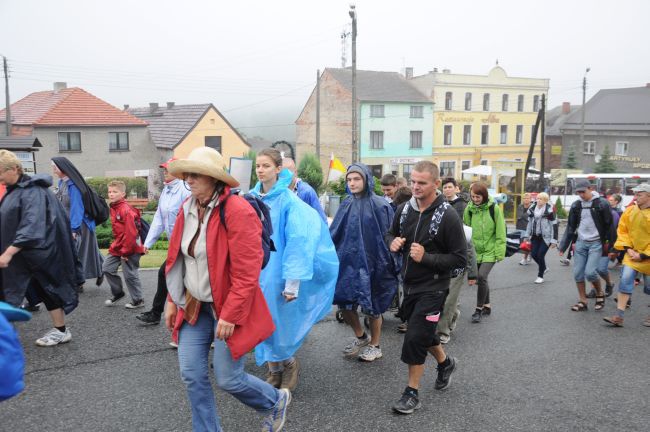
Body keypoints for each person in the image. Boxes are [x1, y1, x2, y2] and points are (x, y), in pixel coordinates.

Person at [165, 147, 290, 432]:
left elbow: (247, 272)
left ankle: (274, 401)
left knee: (228, 378)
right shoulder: (188, 208)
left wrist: (230, 314)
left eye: (196, 174)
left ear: (213, 178)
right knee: (192, 375)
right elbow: (176, 258)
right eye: (187, 175)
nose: (190, 180)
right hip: (195, 305)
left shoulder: (237, 210)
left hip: (226, 307)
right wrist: (173, 300)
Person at [251, 148, 338, 391]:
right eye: (258, 166)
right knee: (260, 318)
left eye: (266, 165)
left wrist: (292, 282)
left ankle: (288, 364)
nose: (260, 170)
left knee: (279, 321)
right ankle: (274, 369)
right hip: (257, 270)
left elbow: (299, 241)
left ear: (279, 169)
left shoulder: (289, 201)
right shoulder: (251, 198)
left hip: (279, 271)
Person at [386, 161, 467, 414]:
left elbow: (459, 259)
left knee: (414, 336)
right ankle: (445, 363)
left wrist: (427, 258)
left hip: (434, 287)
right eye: (413, 181)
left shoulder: (449, 216)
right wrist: (393, 242)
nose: (416, 187)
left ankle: (412, 392)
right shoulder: (404, 210)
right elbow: (389, 234)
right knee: (423, 331)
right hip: (408, 285)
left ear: (436, 184)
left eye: (422, 183)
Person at [0, 150, 79, 347]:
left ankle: (61, 331)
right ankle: (6, 333)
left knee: (48, 290)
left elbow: (31, 225)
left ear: (15, 169)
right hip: (24, 254)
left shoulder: (32, 191)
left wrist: (8, 253)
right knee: (16, 291)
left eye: (0, 172)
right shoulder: (16, 190)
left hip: (38, 253)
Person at [330, 163, 398, 362]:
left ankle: (375, 345)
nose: (352, 183)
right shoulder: (346, 204)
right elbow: (334, 233)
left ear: (366, 179)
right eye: (349, 180)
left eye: (356, 179)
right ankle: (361, 336)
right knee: (344, 303)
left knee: (373, 306)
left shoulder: (381, 205)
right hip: (349, 263)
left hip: (374, 263)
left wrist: (390, 263)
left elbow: (389, 236)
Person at [136, 158, 191, 326]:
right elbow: (159, 219)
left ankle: (161, 314)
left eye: (168, 169)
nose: (164, 171)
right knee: (173, 277)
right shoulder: (166, 192)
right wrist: (148, 243)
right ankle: (163, 314)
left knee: (169, 275)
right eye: (164, 169)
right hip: (176, 246)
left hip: (187, 245)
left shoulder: (185, 190)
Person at [559, 180, 613, 312]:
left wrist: (612, 247)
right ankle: (583, 301)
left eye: (583, 192)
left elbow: (609, 226)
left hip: (596, 243)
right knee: (578, 274)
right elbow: (571, 226)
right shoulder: (576, 205)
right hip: (581, 243)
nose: (581, 195)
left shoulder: (602, 203)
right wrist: (563, 245)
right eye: (578, 192)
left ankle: (600, 293)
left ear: (590, 188)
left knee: (590, 273)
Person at [51, 157, 105, 291]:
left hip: (80, 225)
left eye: (55, 167)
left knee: (77, 253)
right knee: (88, 250)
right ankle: (104, 268)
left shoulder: (73, 186)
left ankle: (78, 283)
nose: (53, 169)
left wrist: (74, 229)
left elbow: (77, 208)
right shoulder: (62, 183)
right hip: (69, 224)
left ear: (63, 168)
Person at [603, 183, 650, 327]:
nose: (635, 198)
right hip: (632, 255)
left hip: (647, 256)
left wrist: (643, 255)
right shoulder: (630, 211)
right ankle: (619, 316)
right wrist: (629, 249)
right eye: (635, 194)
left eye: (639, 195)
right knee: (625, 281)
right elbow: (623, 231)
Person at [437, 177, 477, 344]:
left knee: (449, 299)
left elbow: (468, 241)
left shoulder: (463, 208)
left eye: (449, 187)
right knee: (442, 297)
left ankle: (443, 332)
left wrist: (472, 272)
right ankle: (453, 314)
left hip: (457, 261)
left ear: (456, 188)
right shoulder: (438, 207)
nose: (446, 190)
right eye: (444, 187)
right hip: (440, 260)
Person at [463, 182, 506, 323]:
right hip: (475, 250)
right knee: (482, 279)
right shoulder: (469, 209)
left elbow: (500, 231)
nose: (475, 199)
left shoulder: (494, 208)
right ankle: (487, 305)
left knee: (481, 277)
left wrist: (499, 252)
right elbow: (466, 230)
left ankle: (478, 309)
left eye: (478, 197)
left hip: (490, 249)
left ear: (484, 195)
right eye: (473, 197)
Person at [102, 181, 145, 309]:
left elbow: (131, 234)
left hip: (130, 247)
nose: (111, 194)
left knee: (130, 275)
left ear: (123, 194)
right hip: (119, 245)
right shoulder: (115, 207)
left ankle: (138, 300)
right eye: (109, 192)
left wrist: (126, 252)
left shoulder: (125, 209)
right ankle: (118, 292)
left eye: (115, 192)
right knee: (107, 268)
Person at [523, 192, 558, 284]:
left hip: (546, 237)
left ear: (545, 201)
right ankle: (544, 267)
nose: (538, 200)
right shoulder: (532, 210)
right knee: (534, 254)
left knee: (540, 255)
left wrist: (554, 240)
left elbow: (554, 226)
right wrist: (526, 235)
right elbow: (529, 223)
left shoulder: (549, 211)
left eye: (540, 199)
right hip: (535, 236)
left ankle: (540, 275)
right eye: (537, 198)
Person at [281, 157, 327, 221]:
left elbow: (321, 218)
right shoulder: (279, 191)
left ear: (295, 173)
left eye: (288, 173)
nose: (285, 176)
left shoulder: (307, 192)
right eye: (282, 174)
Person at [517, 193, 533, 265]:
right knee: (522, 244)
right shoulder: (520, 206)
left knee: (526, 243)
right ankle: (530, 253)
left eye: (527, 198)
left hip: (529, 228)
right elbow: (519, 216)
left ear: (530, 199)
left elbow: (526, 217)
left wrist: (524, 216)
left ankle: (524, 259)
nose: (526, 200)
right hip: (520, 227)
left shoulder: (533, 207)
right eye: (524, 198)